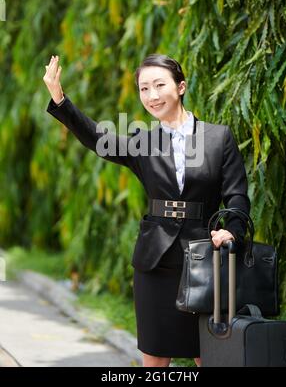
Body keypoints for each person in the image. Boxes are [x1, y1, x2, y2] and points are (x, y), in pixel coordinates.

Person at [43, 53, 250, 367]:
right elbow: (97, 137)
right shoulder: (143, 141)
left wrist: (231, 231)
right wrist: (60, 100)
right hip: (155, 261)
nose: (152, 96)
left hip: (205, 259)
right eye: (144, 89)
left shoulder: (218, 138)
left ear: (181, 87)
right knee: (154, 357)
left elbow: (237, 196)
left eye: (159, 85)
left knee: (209, 353)